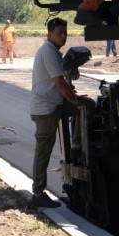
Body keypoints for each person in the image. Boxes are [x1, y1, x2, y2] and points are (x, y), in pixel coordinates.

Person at [28, 17, 80, 209]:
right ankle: (38, 193)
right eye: (59, 33)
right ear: (50, 34)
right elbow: (59, 83)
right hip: (46, 109)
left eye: (65, 33)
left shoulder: (52, 51)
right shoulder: (49, 52)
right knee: (43, 152)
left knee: (87, 108)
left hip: (54, 104)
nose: (63, 36)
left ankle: (77, 148)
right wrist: (74, 100)